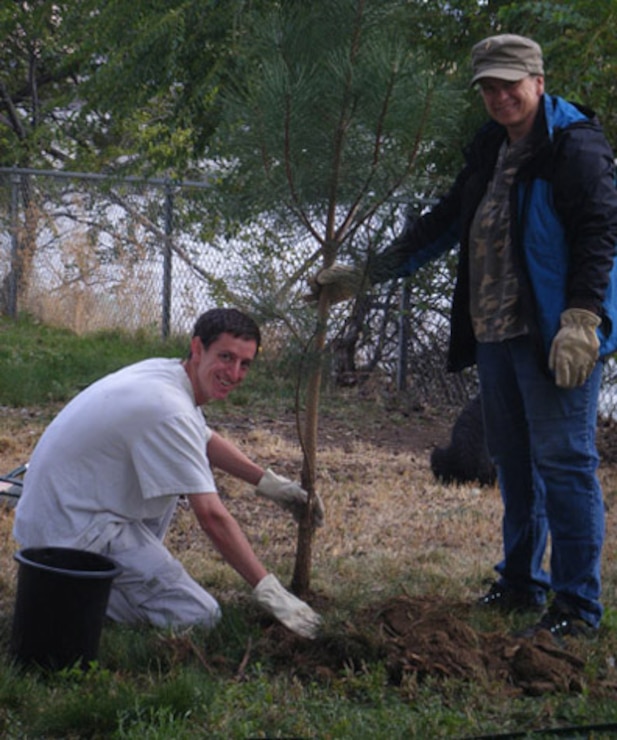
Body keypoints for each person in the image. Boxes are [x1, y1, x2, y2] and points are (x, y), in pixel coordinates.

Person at [309, 34, 617, 638]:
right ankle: (521, 584)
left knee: (565, 463)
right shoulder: (489, 149)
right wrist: (366, 273)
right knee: (513, 461)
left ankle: (577, 608)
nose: (501, 96)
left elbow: (601, 238)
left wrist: (583, 319)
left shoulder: (574, 149)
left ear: (538, 80)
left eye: (511, 83)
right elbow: (445, 222)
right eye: (489, 87)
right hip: (497, 331)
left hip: (557, 336)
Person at [13, 308, 324, 639]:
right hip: (72, 537)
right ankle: (77, 596)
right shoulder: (168, 408)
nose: (234, 373)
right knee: (200, 615)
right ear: (197, 348)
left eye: (244, 364)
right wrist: (271, 593)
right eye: (226, 357)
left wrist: (269, 484)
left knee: (172, 482)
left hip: (66, 513)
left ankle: (116, 579)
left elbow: (203, 439)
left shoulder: (168, 375)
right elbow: (212, 517)